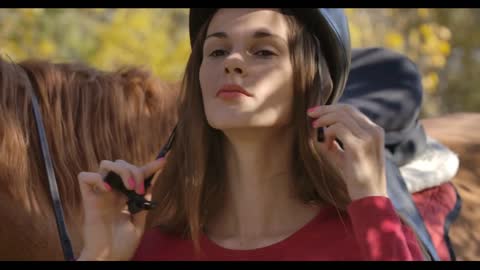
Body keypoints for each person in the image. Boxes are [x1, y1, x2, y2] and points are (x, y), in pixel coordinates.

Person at [76, 8, 426, 261]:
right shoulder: (154, 249)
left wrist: (372, 201)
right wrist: (100, 255)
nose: (232, 61)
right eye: (216, 51)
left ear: (315, 85)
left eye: (263, 51)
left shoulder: (372, 240)